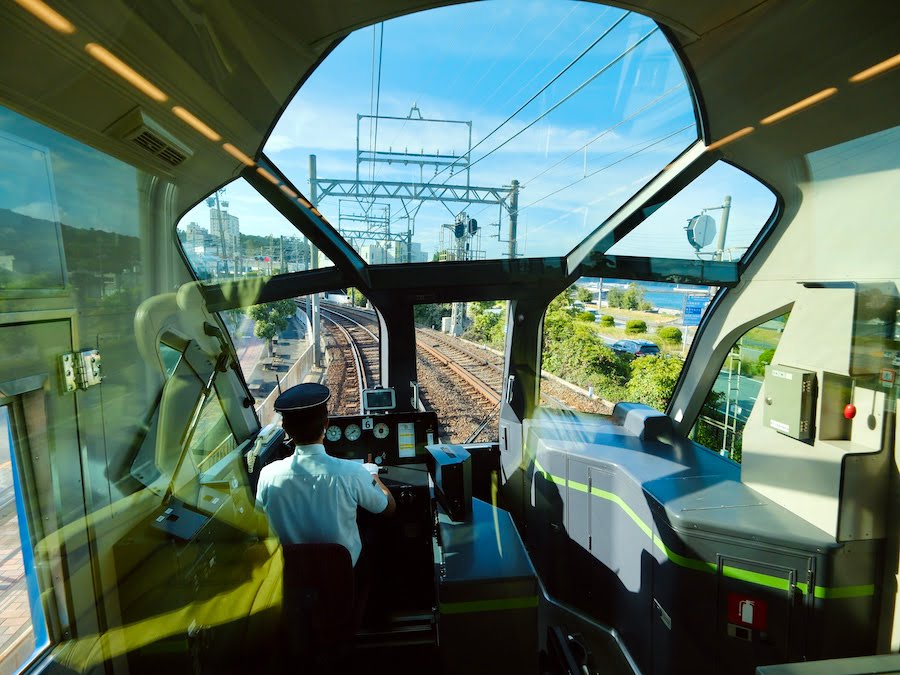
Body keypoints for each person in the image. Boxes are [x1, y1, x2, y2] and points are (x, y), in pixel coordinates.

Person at [255, 382, 396, 568]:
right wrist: (372, 475)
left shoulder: (268, 476)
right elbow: (388, 508)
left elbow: (260, 528)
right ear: (326, 424)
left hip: (290, 582)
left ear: (286, 429)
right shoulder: (353, 473)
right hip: (340, 580)